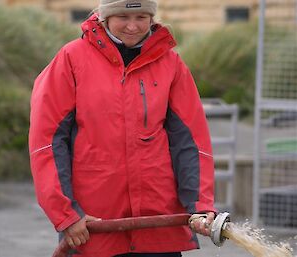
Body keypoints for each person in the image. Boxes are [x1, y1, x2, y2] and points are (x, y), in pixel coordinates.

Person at [29, 0, 216, 256]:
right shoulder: (71, 59)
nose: (132, 26)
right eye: (122, 17)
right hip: (93, 224)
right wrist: (67, 215)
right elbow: (47, 143)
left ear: (152, 18)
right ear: (104, 17)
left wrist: (201, 204)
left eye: (141, 17)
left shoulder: (171, 64)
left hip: (158, 222)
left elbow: (191, 142)